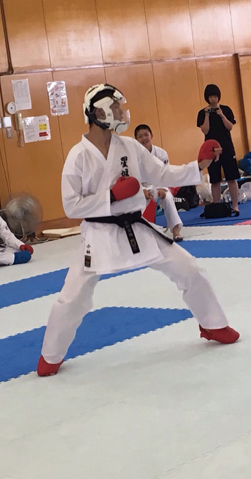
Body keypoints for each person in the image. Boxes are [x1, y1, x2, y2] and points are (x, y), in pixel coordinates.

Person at [37, 84, 239, 378]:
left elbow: (162, 173)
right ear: (98, 113)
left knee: (190, 269)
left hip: (136, 226)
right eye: (115, 107)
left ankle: (213, 324)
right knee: (73, 297)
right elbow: (71, 206)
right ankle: (50, 355)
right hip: (99, 234)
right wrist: (111, 196)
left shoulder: (129, 147)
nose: (122, 112)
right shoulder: (78, 156)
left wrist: (199, 166)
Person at [134, 124, 184, 242]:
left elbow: (165, 174)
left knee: (168, 197)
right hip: (141, 188)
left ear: (151, 135)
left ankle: (176, 230)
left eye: (146, 135)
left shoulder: (161, 153)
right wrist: (142, 190)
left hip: (158, 186)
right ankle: (143, 235)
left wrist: (162, 188)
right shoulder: (133, 156)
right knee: (141, 201)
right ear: (136, 140)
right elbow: (133, 177)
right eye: (140, 136)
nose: (144, 138)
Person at [197, 84, 240, 216]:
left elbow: (230, 127)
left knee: (232, 178)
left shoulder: (226, 109)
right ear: (207, 98)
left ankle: (235, 205)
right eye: (210, 97)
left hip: (227, 147)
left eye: (215, 96)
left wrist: (221, 115)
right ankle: (216, 206)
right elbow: (205, 130)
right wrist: (207, 115)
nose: (213, 99)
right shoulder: (202, 113)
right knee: (215, 180)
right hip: (211, 150)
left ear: (219, 97)